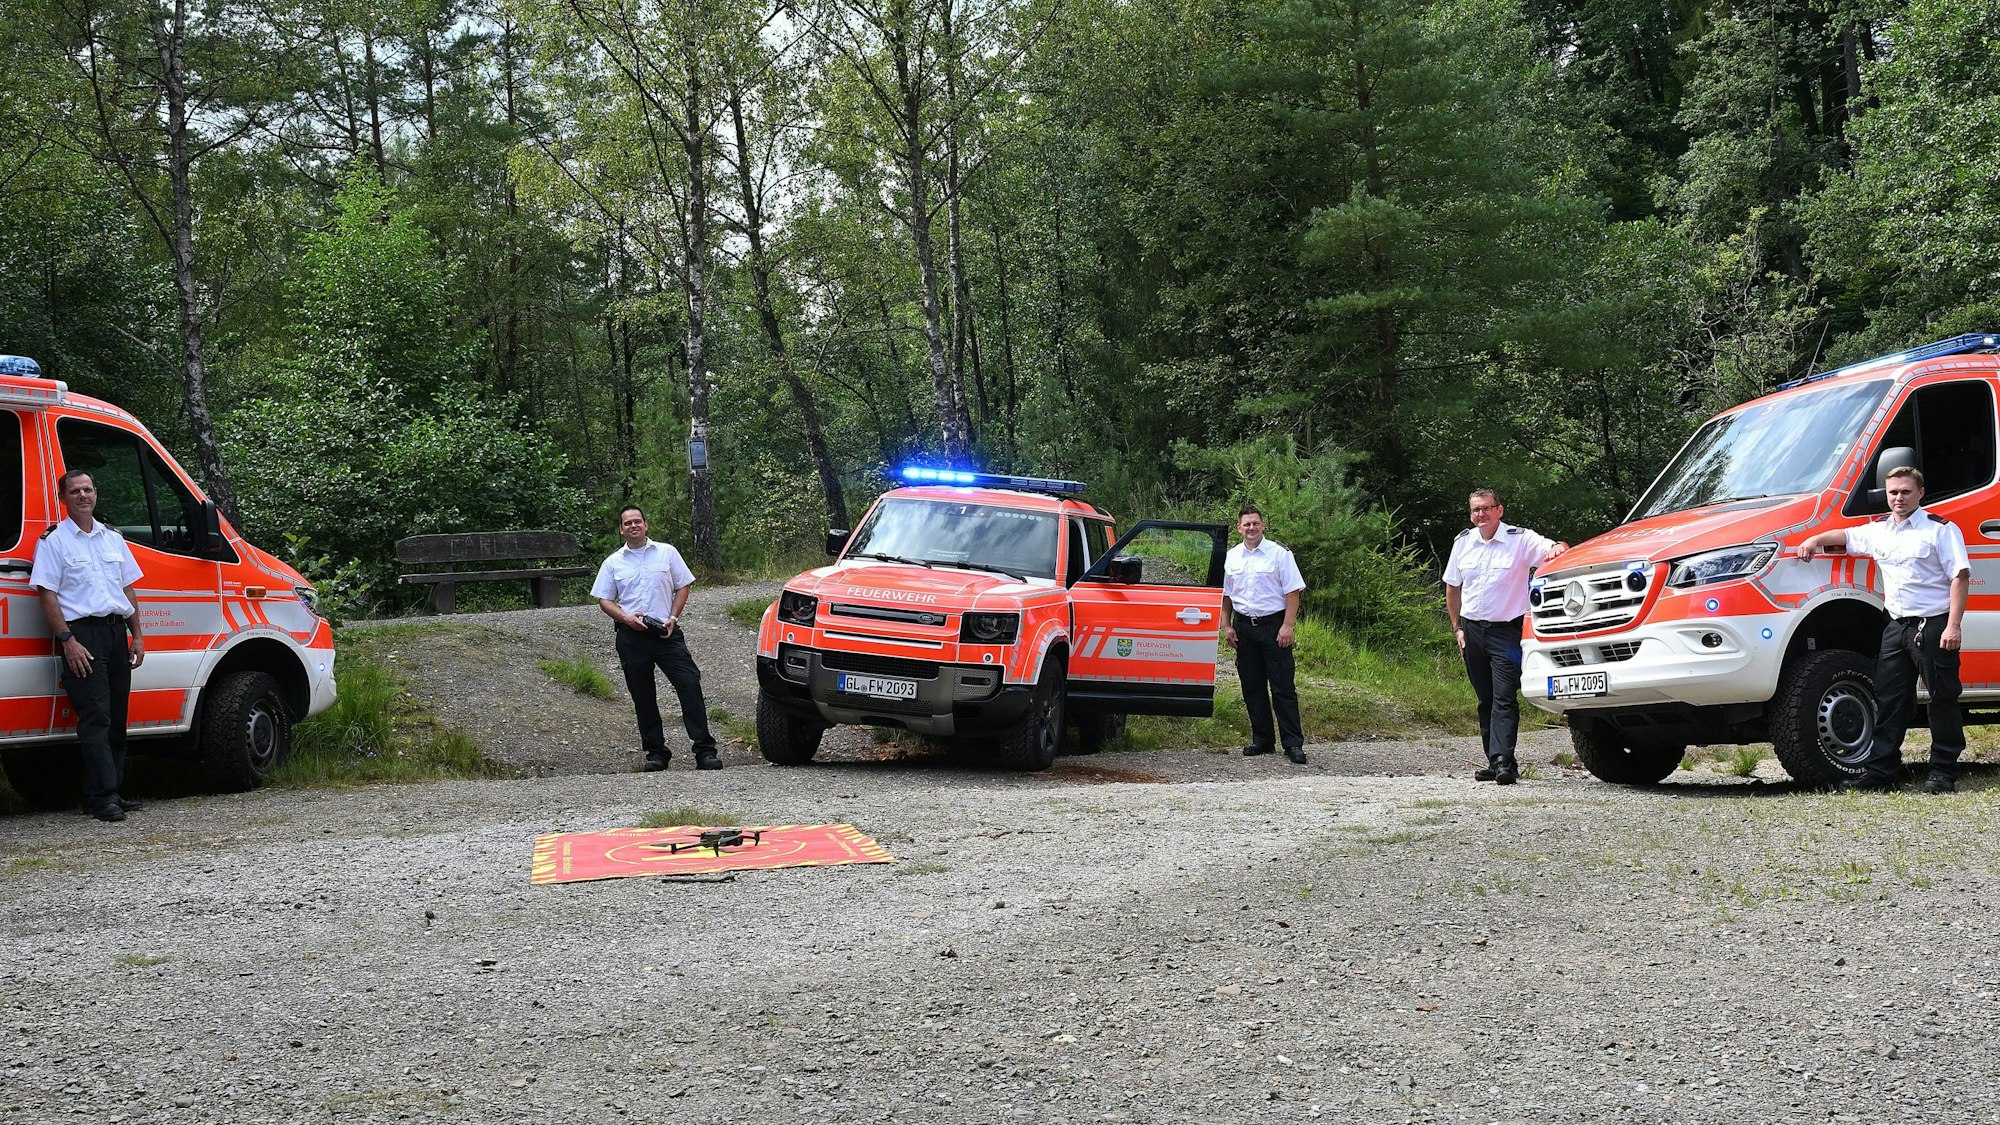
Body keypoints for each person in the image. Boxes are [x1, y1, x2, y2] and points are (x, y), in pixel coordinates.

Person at [1799, 466, 1969, 793]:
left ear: (1920, 493)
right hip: (1896, 626)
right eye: (1893, 492)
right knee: (1889, 699)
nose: (1899, 498)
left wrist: (1953, 625)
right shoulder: (1879, 530)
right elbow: (1847, 538)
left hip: (1932, 625)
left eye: (1905, 492)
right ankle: (1881, 772)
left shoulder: (1940, 530)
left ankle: (1943, 772)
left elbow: (1959, 577)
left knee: (1942, 699)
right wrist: (1815, 539)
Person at [31, 469, 146, 822]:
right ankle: (102, 797)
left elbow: (127, 589)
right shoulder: (53, 542)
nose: (83, 496)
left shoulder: (112, 538)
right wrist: (67, 640)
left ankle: (112, 790)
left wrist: (137, 635)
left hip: (115, 633)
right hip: (82, 635)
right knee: (95, 717)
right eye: (75, 491)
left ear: (96, 495)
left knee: (116, 716)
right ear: (62, 499)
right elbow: (47, 594)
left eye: (88, 490)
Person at [1443, 489, 1566, 785]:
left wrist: (1558, 549)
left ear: (1499, 510)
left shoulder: (1520, 540)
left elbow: (1557, 548)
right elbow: (1452, 587)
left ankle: (1503, 760)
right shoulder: (1463, 543)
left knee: (1504, 696)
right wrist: (1457, 628)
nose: (1480, 515)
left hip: (1507, 631)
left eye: (1486, 509)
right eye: (1475, 511)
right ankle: (1494, 759)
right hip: (1472, 631)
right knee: (1485, 698)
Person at [592, 505, 721, 772]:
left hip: (666, 633)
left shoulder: (667, 552)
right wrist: (626, 618)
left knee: (689, 684)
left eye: (637, 521)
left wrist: (673, 618)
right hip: (631, 635)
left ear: (646, 524)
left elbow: (683, 586)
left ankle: (705, 751)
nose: (633, 526)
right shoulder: (613, 562)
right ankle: (656, 753)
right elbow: (604, 600)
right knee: (643, 695)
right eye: (627, 523)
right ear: (621, 529)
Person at [1222, 506, 1308, 764]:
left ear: (1263, 526)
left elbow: (1293, 592)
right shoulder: (1231, 557)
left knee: (1283, 688)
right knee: (1252, 687)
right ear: (1239, 528)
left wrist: (1288, 626)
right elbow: (1226, 596)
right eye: (1246, 524)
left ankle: (1292, 744)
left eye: (1255, 523)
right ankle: (1263, 740)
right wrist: (1227, 626)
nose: (1251, 528)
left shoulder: (1279, 554)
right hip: (1244, 628)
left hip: (1274, 627)